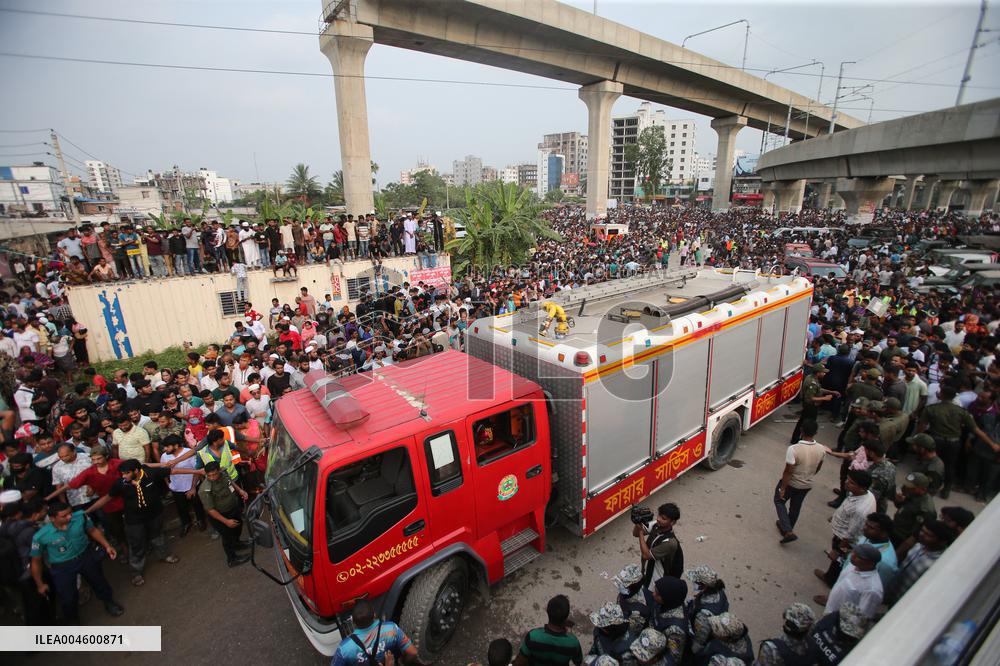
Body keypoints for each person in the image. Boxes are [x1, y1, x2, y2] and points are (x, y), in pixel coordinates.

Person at [85, 458, 180, 587]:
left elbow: (173, 471)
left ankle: (164, 555)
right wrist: (88, 511)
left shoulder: (150, 474)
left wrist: (198, 471)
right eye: (122, 474)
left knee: (158, 536)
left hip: (155, 514)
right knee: (136, 544)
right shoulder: (120, 484)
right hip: (134, 520)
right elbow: (107, 498)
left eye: (126, 473)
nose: (124, 476)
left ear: (136, 471)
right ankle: (136, 571)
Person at [29, 501, 124, 621]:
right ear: (52, 518)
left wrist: (107, 546)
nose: (69, 517)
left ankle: (109, 602)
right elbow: (36, 561)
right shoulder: (40, 536)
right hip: (62, 567)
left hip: (86, 556)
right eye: (64, 516)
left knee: (99, 581)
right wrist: (40, 584)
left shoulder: (81, 517)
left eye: (70, 513)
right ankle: (72, 620)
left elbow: (92, 530)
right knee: (67, 596)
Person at [919, 384, 997, 498]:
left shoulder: (931, 409)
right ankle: (946, 489)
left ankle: (930, 487)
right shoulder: (962, 412)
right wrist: (992, 444)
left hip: (936, 441)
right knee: (950, 466)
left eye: (940, 392)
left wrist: (918, 439)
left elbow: (922, 426)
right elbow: (976, 430)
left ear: (942, 395)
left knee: (932, 464)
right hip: (954, 443)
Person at [775, 419, 845, 544]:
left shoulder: (794, 449)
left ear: (801, 430)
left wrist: (783, 488)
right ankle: (787, 529)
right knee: (795, 507)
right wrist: (808, 476)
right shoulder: (821, 449)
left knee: (779, 501)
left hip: (792, 483)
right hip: (807, 484)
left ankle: (788, 530)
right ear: (816, 432)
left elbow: (788, 471)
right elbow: (818, 467)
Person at [885, 520, 956, 606]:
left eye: (928, 535)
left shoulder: (938, 564)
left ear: (942, 541)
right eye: (922, 531)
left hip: (904, 603)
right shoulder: (918, 546)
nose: (922, 535)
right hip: (892, 592)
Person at [330, 598, 418, 666]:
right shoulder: (391, 629)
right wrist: (401, 662)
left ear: (353, 622)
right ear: (374, 615)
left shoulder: (344, 648)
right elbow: (413, 652)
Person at [197, 460, 250, 567]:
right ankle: (232, 559)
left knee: (237, 527)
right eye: (209, 475)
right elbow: (210, 510)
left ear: (219, 471)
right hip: (220, 516)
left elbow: (231, 482)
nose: (212, 477)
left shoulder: (224, 473)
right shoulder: (205, 489)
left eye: (214, 474)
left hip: (233, 508)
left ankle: (237, 544)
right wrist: (226, 521)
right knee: (227, 537)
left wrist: (240, 491)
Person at [815, 543, 883, 619]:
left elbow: (861, 618)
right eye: (854, 552)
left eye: (858, 556)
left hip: (838, 621)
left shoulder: (873, 590)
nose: (852, 555)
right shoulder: (853, 564)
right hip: (830, 610)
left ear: (870, 563)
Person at [514, 594, 584, 666]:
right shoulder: (573, 642)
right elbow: (578, 661)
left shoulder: (533, 636)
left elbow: (520, 661)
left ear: (547, 611)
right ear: (566, 616)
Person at [158, 434, 205, 536]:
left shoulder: (188, 453)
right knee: (181, 508)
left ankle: (200, 520)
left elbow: (196, 471)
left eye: (167, 446)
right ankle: (186, 524)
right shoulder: (164, 456)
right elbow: (163, 471)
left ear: (175, 446)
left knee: (197, 505)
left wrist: (193, 488)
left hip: (192, 485)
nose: (165, 449)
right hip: (176, 487)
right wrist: (168, 484)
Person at [634, 502, 682, 587]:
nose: (658, 519)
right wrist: (638, 521)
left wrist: (641, 531)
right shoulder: (656, 525)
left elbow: (646, 555)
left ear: (672, 522)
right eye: (659, 515)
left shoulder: (670, 542)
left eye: (663, 518)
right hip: (648, 570)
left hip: (659, 579)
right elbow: (635, 534)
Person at [644, 575, 689, 662]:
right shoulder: (665, 603)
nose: (653, 594)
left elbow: (671, 659)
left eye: (658, 593)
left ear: (668, 597)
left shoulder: (676, 630)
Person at [686, 565, 729, 653]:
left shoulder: (704, 614)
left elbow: (699, 641)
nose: (693, 582)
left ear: (703, 586)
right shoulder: (719, 591)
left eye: (695, 581)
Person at [890, 472, 937, 549]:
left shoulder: (925, 509)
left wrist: (899, 552)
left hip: (901, 539)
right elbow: (904, 509)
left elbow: (915, 536)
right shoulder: (913, 494)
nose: (905, 488)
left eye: (911, 487)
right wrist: (898, 502)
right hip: (895, 529)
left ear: (922, 489)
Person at [791, 364, 836, 444]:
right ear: (818, 373)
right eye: (823, 372)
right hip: (811, 407)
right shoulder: (812, 383)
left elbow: (818, 389)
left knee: (802, 422)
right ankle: (802, 441)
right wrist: (825, 398)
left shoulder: (811, 378)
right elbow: (811, 398)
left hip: (808, 406)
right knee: (808, 425)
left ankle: (795, 439)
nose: (824, 374)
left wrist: (830, 391)